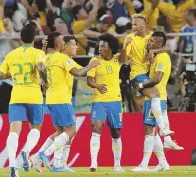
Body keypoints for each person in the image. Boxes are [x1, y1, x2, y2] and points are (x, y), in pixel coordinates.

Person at [30, 32, 100, 172]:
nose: (74, 47)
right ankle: (44, 154)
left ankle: (55, 164)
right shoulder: (62, 58)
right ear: (59, 44)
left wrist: (44, 48)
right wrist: (92, 65)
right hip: (61, 99)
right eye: (62, 40)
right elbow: (79, 72)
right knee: (71, 130)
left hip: (51, 99)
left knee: (61, 132)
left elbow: (42, 68)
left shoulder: (49, 57)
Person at [0, 24, 47, 177]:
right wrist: (45, 80)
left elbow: (0, 75)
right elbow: (40, 66)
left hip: (16, 95)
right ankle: (25, 151)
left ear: (20, 38)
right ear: (34, 38)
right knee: (36, 129)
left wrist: (13, 76)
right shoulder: (38, 53)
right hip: (34, 96)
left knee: (14, 132)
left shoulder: (11, 54)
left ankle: (12, 165)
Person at [122, 14, 174, 136]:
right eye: (132, 24)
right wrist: (125, 47)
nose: (133, 26)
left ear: (143, 25)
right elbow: (123, 60)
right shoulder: (130, 38)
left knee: (160, 103)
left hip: (149, 74)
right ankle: (163, 129)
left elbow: (169, 48)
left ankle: (167, 140)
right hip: (138, 74)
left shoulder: (152, 36)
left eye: (135, 24)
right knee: (156, 94)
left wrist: (153, 51)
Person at [131, 31, 174, 171]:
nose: (149, 43)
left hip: (157, 96)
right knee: (152, 131)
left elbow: (157, 78)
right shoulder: (155, 55)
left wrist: (141, 86)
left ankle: (144, 164)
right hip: (154, 96)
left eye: (152, 41)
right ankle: (163, 163)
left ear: (159, 43)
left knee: (149, 130)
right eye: (149, 41)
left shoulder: (161, 56)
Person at [87, 33, 124, 172]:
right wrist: (96, 86)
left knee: (115, 132)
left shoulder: (117, 59)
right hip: (99, 101)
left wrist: (126, 44)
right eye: (99, 45)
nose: (100, 47)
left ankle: (117, 164)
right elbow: (89, 81)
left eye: (103, 45)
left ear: (111, 47)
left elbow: (125, 55)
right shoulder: (94, 60)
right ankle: (93, 162)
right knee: (96, 128)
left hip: (115, 101)